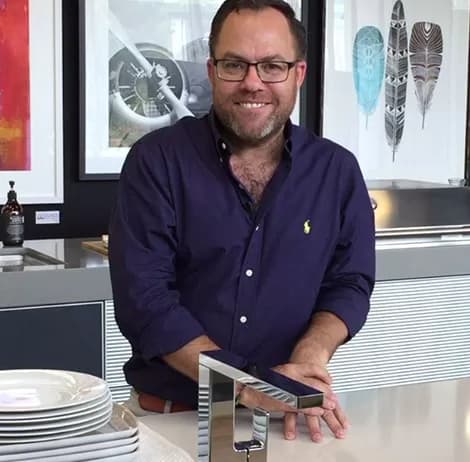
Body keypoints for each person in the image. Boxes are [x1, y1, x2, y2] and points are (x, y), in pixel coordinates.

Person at [108, 0, 375, 443]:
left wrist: (312, 353)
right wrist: (250, 387)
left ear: (298, 74)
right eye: (235, 65)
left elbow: (350, 282)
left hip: (285, 422)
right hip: (173, 421)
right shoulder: (156, 163)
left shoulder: (337, 171)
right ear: (212, 71)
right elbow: (146, 304)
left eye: (272, 65)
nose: (253, 83)